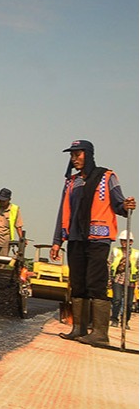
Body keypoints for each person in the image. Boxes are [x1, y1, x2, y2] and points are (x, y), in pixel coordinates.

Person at [50, 139, 137, 345]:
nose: (74, 159)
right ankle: (78, 329)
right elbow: (63, 211)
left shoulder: (107, 177)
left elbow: (118, 203)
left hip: (99, 238)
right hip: (75, 238)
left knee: (95, 284)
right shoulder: (72, 182)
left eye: (77, 154)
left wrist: (127, 205)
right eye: (72, 155)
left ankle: (100, 333)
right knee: (78, 284)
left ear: (88, 155)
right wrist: (56, 241)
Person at [109, 230, 137, 329]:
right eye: (122, 240)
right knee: (116, 300)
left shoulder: (136, 254)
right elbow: (110, 264)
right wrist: (109, 279)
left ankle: (125, 322)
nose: (124, 242)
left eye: (126, 240)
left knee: (129, 303)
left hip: (130, 281)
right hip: (118, 279)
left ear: (131, 242)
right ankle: (114, 319)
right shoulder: (116, 251)